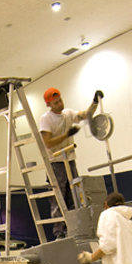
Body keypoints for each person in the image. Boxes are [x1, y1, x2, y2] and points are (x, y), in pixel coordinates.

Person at [39, 87, 103, 239]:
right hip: (56, 163)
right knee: (59, 198)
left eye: (60, 100)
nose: (60, 104)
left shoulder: (68, 113)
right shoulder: (46, 119)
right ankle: (60, 233)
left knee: (75, 195)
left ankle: (74, 229)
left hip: (70, 160)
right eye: (56, 103)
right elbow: (47, 143)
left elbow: (86, 115)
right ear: (49, 105)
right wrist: (67, 135)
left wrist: (95, 101)